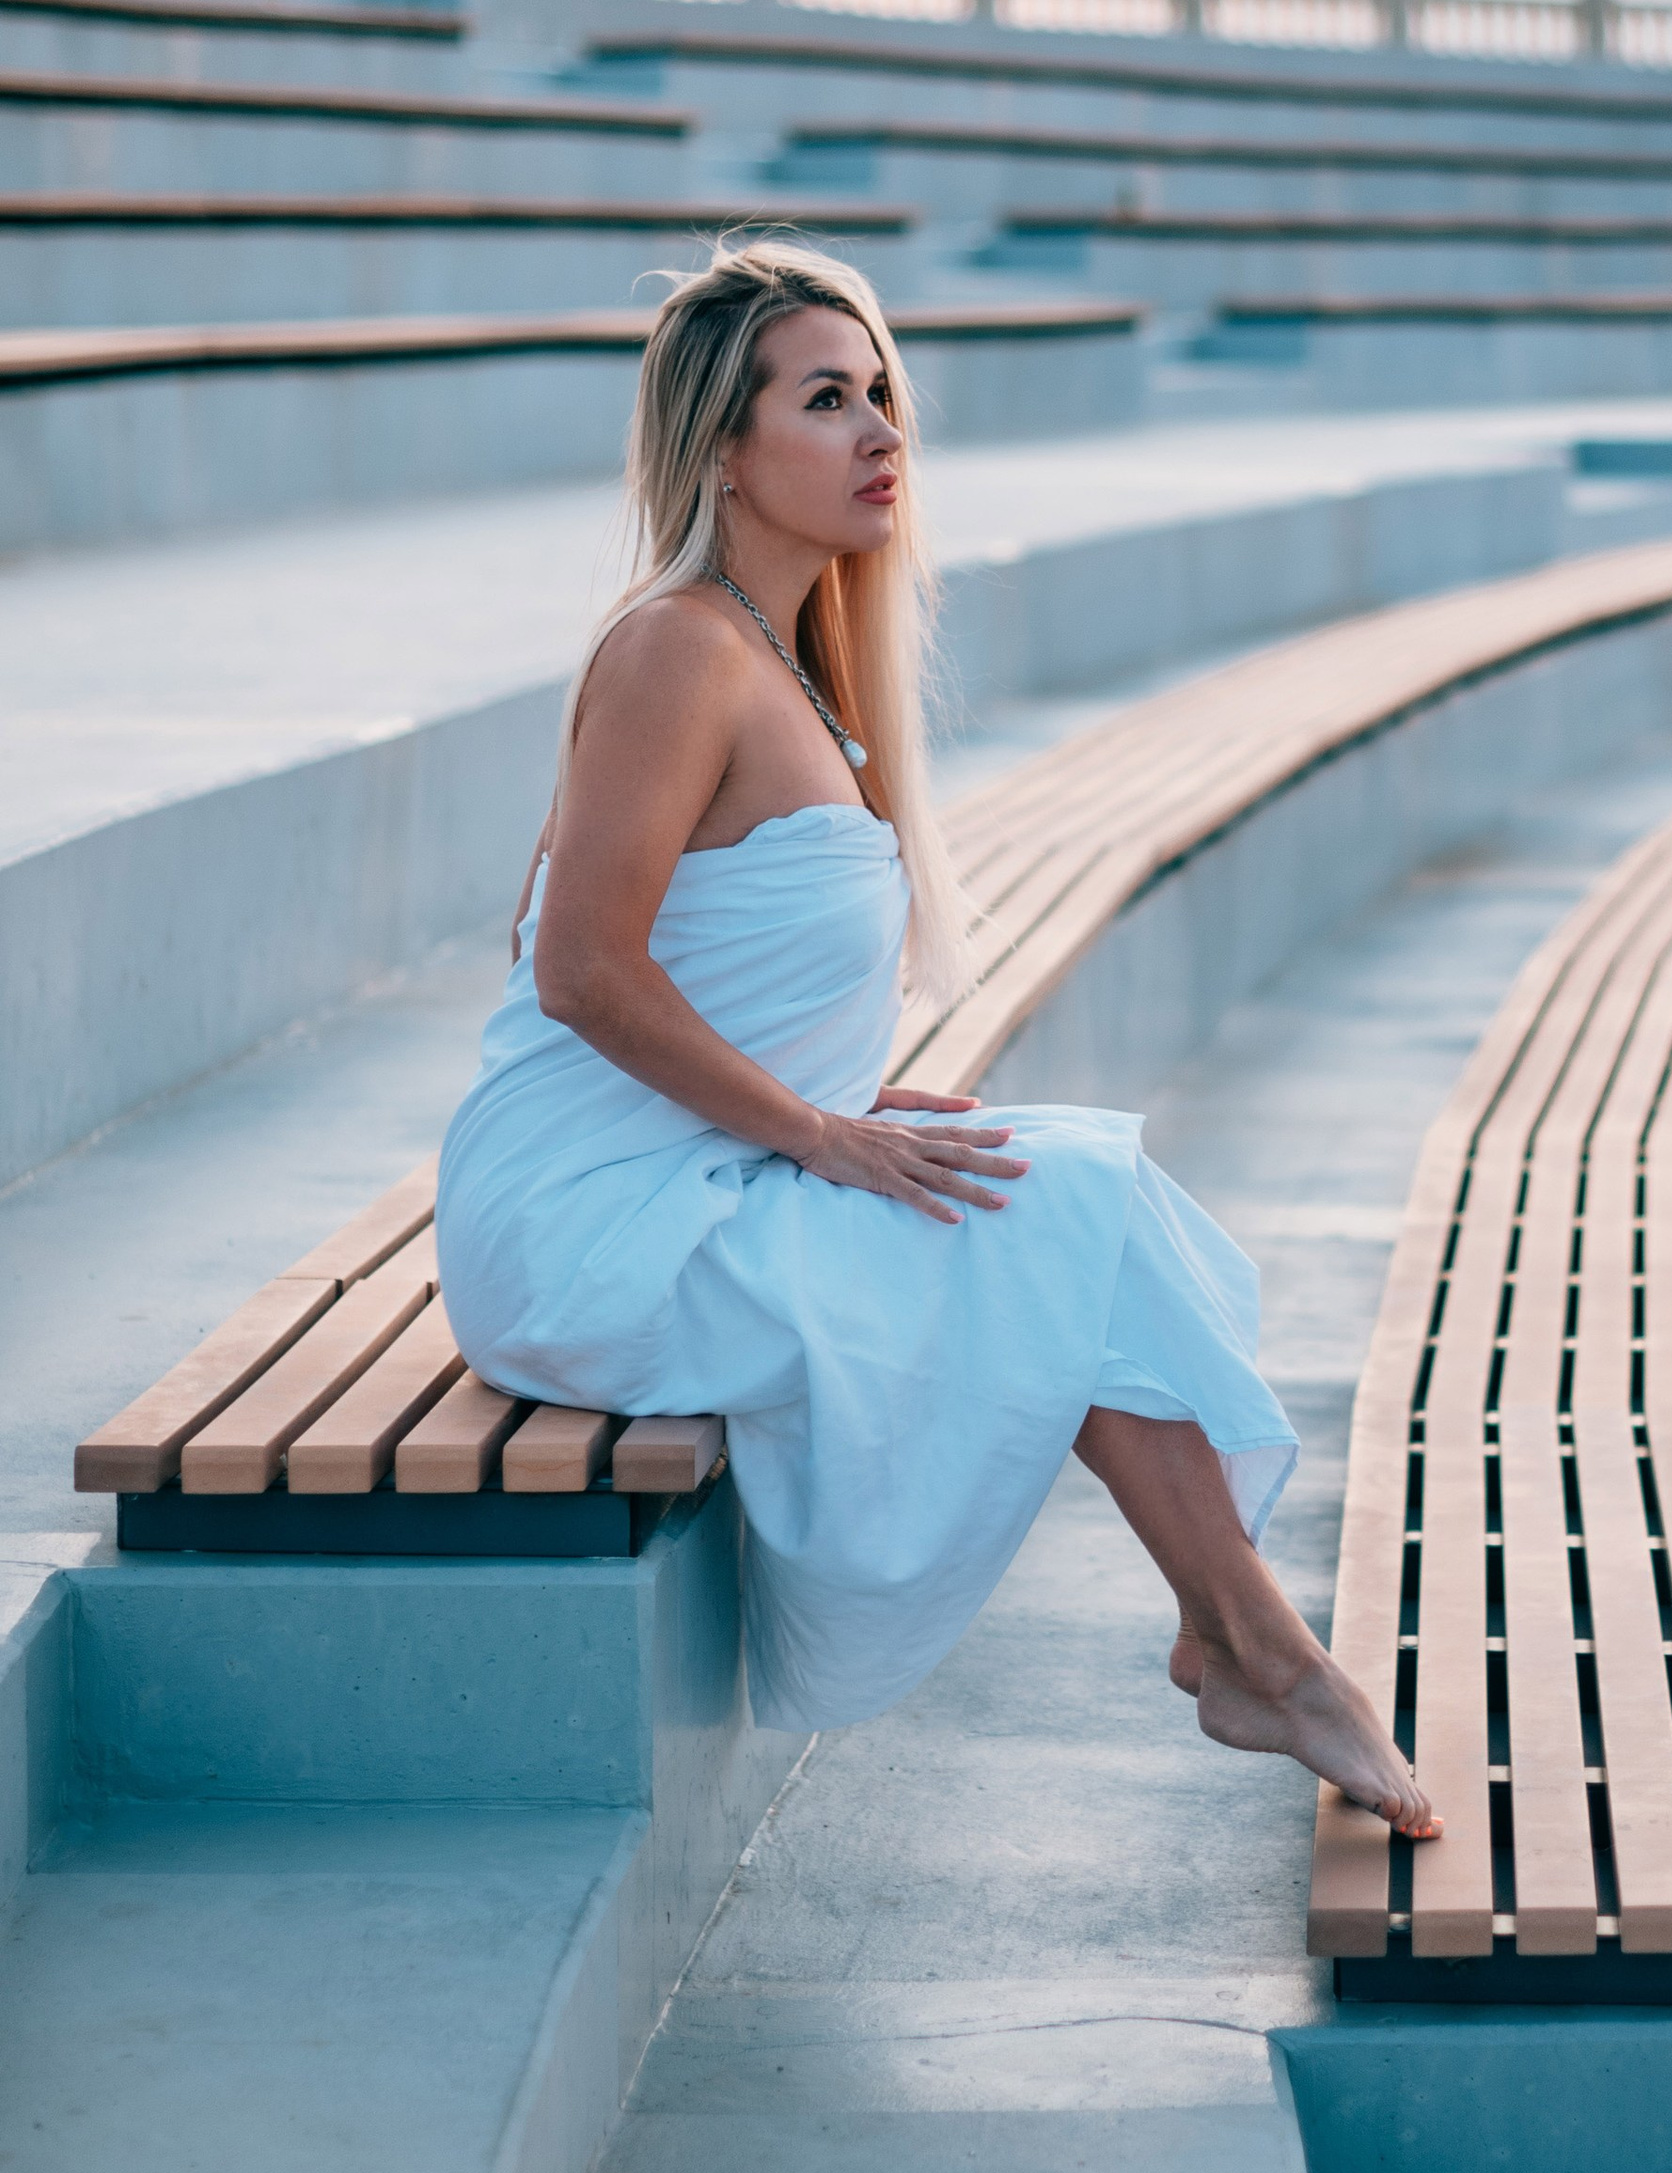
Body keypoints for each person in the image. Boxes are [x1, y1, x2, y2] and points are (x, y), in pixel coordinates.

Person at [436, 236, 1435, 1838]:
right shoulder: (677, 648)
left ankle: (1247, 1641)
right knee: (1047, 1208)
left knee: (1061, 1180)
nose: (882, 433)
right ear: (723, 450)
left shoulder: (783, 661)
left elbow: (672, 950)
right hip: (583, 1232)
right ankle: (1262, 1653)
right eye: (828, 401)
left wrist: (826, 1097)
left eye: (882, 393)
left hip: (690, 1178)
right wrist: (813, 1130)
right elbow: (573, 968)